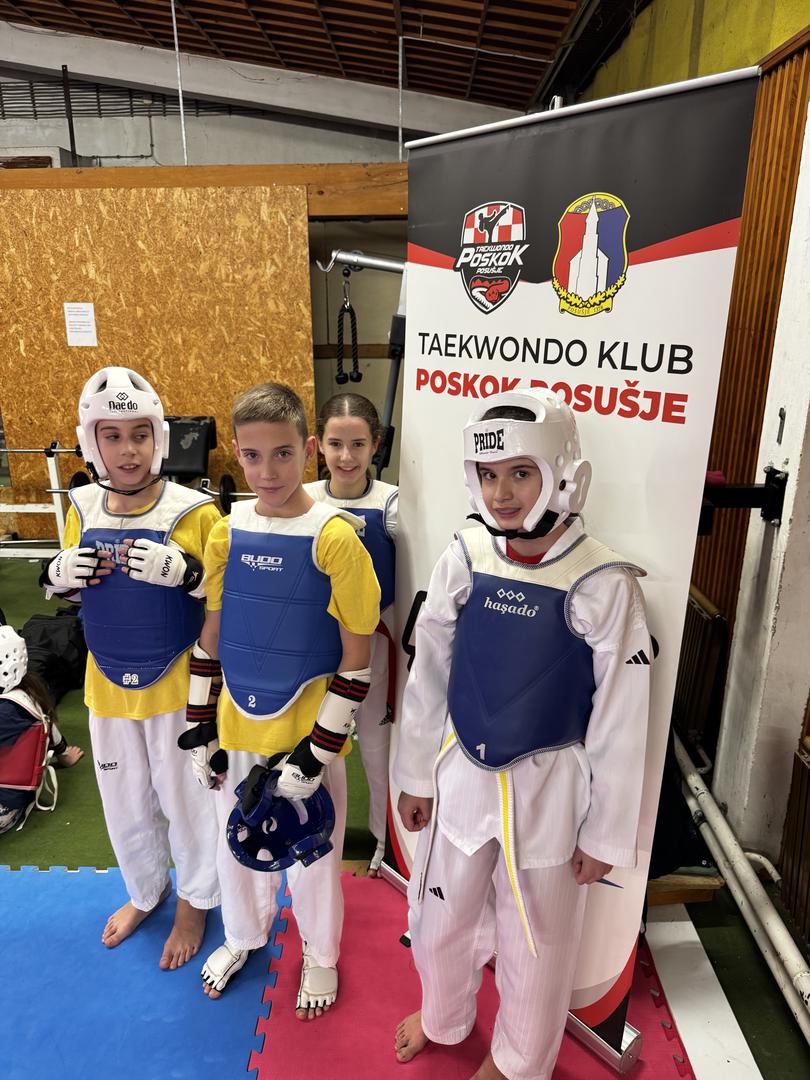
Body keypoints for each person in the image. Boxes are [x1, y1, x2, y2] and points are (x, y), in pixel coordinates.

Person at [393, 388, 651, 1080]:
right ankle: (444, 1015)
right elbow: (429, 672)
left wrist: (604, 835)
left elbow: (623, 718)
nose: (500, 493)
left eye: (520, 473)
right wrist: (414, 775)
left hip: (549, 793)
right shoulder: (467, 553)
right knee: (438, 920)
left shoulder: (603, 582)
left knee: (536, 942)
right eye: (487, 475)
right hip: (460, 773)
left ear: (563, 474)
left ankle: (517, 1063)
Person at [184, 382, 380, 1016]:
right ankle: (244, 935)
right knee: (235, 843)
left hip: (305, 734)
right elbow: (212, 635)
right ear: (236, 453)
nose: (267, 471)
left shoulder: (336, 538)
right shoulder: (225, 534)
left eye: (283, 453)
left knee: (314, 855)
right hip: (236, 722)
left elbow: (357, 657)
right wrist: (200, 726)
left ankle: (321, 954)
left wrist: (318, 752)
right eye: (252, 456)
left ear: (310, 449)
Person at [41, 366, 221, 970]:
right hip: (107, 683)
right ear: (91, 442)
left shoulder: (194, 511)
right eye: (112, 436)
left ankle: (196, 902)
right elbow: (77, 586)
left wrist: (189, 575)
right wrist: (57, 577)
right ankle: (146, 891)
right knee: (124, 802)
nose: (128, 450)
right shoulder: (81, 504)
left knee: (186, 801)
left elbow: (226, 594)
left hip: (177, 685)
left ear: (159, 438)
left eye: (140, 434)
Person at [305, 393, 398, 876]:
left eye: (358, 444)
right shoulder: (302, 499)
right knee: (315, 748)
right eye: (336, 444)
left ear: (375, 445)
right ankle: (311, 839)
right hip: (316, 649)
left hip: (374, 646)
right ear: (318, 444)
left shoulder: (394, 504)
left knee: (379, 753)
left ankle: (387, 845)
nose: (346, 456)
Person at [0, 623, 83, 834]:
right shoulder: (26, 691)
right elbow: (49, 726)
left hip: (4, 802)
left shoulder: (7, 711)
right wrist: (64, 754)